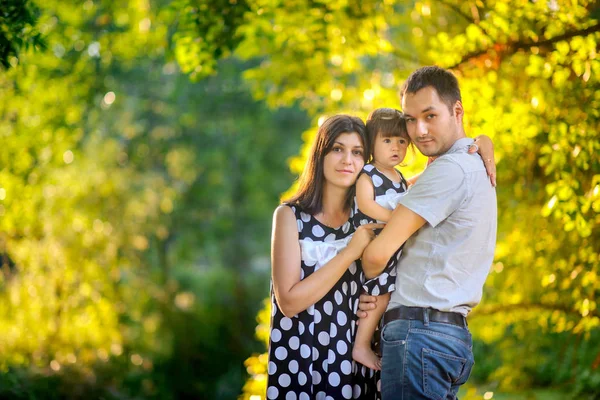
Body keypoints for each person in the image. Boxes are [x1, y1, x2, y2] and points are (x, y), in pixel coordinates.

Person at [360, 66, 498, 399]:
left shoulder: (450, 169)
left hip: (419, 334)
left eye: (430, 115)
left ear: (457, 111)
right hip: (442, 336)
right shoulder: (469, 162)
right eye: (410, 119)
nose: (419, 130)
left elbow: (377, 255)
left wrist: (366, 289)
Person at [267, 114, 385, 399]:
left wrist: (481, 143)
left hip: (354, 363)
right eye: (337, 149)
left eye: (357, 152)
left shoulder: (369, 216)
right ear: (320, 154)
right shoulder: (289, 216)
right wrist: (350, 253)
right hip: (302, 358)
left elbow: (414, 184)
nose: (348, 160)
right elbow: (290, 302)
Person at [351, 107, 413, 371]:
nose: (395, 147)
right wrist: (394, 219)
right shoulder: (368, 173)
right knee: (381, 294)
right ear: (372, 143)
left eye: (402, 141)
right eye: (387, 140)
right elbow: (365, 204)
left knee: (388, 295)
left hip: (391, 246)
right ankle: (361, 345)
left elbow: (412, 194)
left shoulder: (399, 178)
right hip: (373, 242)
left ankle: (376, 339)